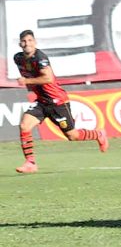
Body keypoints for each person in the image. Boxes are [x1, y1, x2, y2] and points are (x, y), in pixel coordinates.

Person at [14, 30, 108, 174]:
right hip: (42, 102)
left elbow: (48, 78)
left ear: (35, 42)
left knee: (73, 136)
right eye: (24, 41)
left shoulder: (40, 57)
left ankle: (98, 134)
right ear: (20, 43)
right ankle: (30, 163)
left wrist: (27, 81)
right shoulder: (18, 58)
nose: (27, 44)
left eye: (30, 40)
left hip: (57, 101)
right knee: (24, 125)